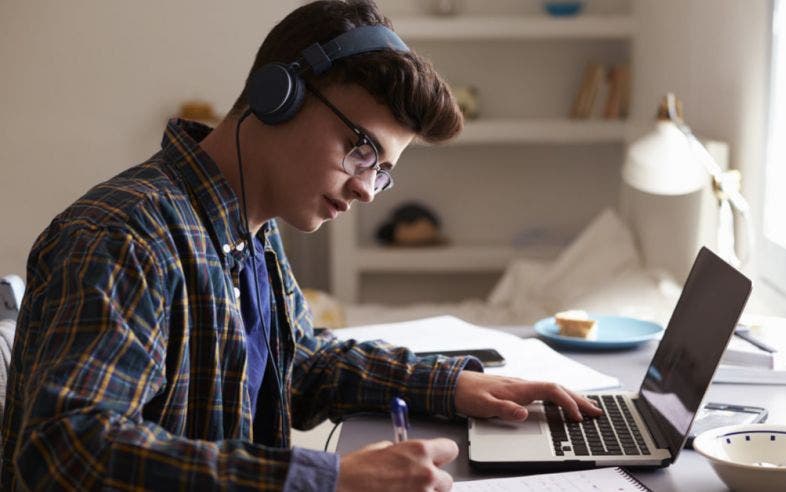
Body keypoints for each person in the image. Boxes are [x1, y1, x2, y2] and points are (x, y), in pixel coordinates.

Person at [0, 1, 603, 490]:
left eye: (384, 171)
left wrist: (452, 387)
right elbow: (65, 452)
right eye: (361, 151)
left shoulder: (251, 232)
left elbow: (299, 366)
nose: (368, 191)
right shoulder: (125, 237)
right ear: (277, 96)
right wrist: (327, 478)